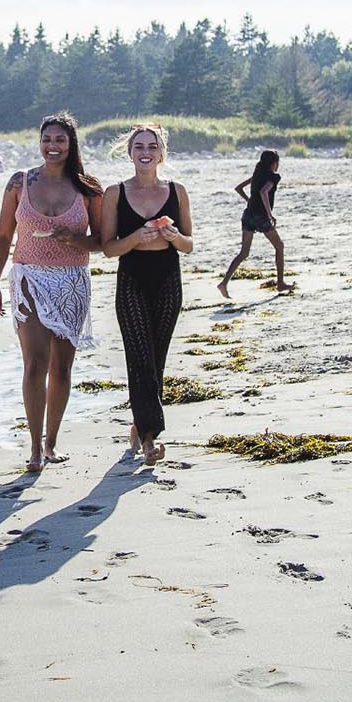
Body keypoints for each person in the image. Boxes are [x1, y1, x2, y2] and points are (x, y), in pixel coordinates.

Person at [0, 111, 102, 472]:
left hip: (71, 280)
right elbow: (4, 235)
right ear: (40, 143)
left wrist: (75, 238)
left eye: (60, 140)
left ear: (71, 145)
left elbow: (101, 240)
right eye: (47, 139)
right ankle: (34, 449)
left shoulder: (89, 187)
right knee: (35, 364)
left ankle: (52, 443)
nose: (52, 146)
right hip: (28, 277)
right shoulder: (19, 183)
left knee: (62, 369)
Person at [98, 124, 193, 467]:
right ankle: (151, 439)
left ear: (161, 152)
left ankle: (140, 424)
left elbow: (189, 244)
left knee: (157, 360)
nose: (145, 151)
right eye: (139, 146)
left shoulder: (177, 191)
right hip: (131, 281)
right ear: (130, 152)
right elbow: (109, 249)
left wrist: (172, 235)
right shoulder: (114, 193)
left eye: (152, 146)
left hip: (168, 280)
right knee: (139, 358)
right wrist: (137, 237)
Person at [219, 150, 287, 297]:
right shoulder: (274, 177)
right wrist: (270, 215)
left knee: (244, 253)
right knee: (279, 246)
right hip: (260, 217)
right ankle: (280, 283)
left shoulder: (257, 174)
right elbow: (264, 192)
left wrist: (249, 200)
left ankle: (223, 283)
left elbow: (238, 188)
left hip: (248, 215)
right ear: (274, 163)